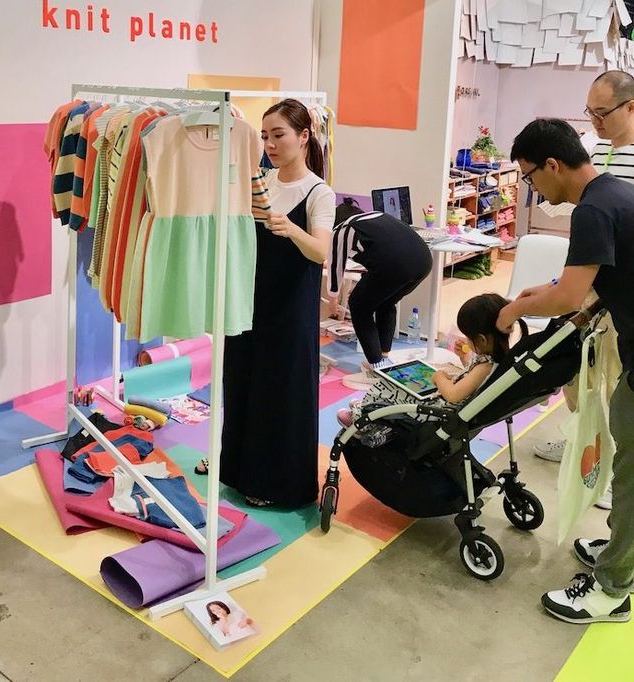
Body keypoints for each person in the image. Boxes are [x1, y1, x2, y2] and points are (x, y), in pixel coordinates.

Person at [498, 117, 634, 625]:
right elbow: (596, 286)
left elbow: (571, 292)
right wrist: (556, 301)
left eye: (530, 176)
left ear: (552, 165)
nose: (531, 187)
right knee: (627, 462)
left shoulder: (594, 210)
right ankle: (623, 547)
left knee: (631, 471)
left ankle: (612, 589)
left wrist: (513, 311)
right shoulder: (614, 192)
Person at [217, 99, 336, 507]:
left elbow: (321, 253)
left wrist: (289, 229)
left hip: (290, 309)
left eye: (278, 134)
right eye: (264, 136)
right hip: (248, 302)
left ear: (304, 137)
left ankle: (277, 484)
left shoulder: (319, 192)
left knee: (280, 391)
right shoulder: (259, 182)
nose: (269, 143)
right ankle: (237, 471)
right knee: (242, 382)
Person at [534, 72, 634, 503]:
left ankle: (614, 465)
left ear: (631, 107)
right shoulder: (600, 156)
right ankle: (584, 442)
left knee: (615, 380)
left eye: (603, 112)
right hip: (596, 280)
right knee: (581, 372)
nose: (594, 121)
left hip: (617, 284)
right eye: (589, 112)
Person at [338, 293, 526, 437]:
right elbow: (473, 382)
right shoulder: (499, 360)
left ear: (482, 339)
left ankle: (362, 420)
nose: (467, 341)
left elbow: (453, 396)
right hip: (448, 407)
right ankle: (367, 407)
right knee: (398, 385)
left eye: (469, 338)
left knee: (387, 385)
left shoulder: (485, 366)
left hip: (440, 413)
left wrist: (439, 377)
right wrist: (464, 360)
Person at [327, 203, 432, 372]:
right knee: (385, 303)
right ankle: (384, 357)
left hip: (395, 267)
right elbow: (384, 250)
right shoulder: (377, 216)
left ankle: (376, 365)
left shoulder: (341, 229)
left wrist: (332, 300)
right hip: (424, 261)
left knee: (358, 305)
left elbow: (335, 267)